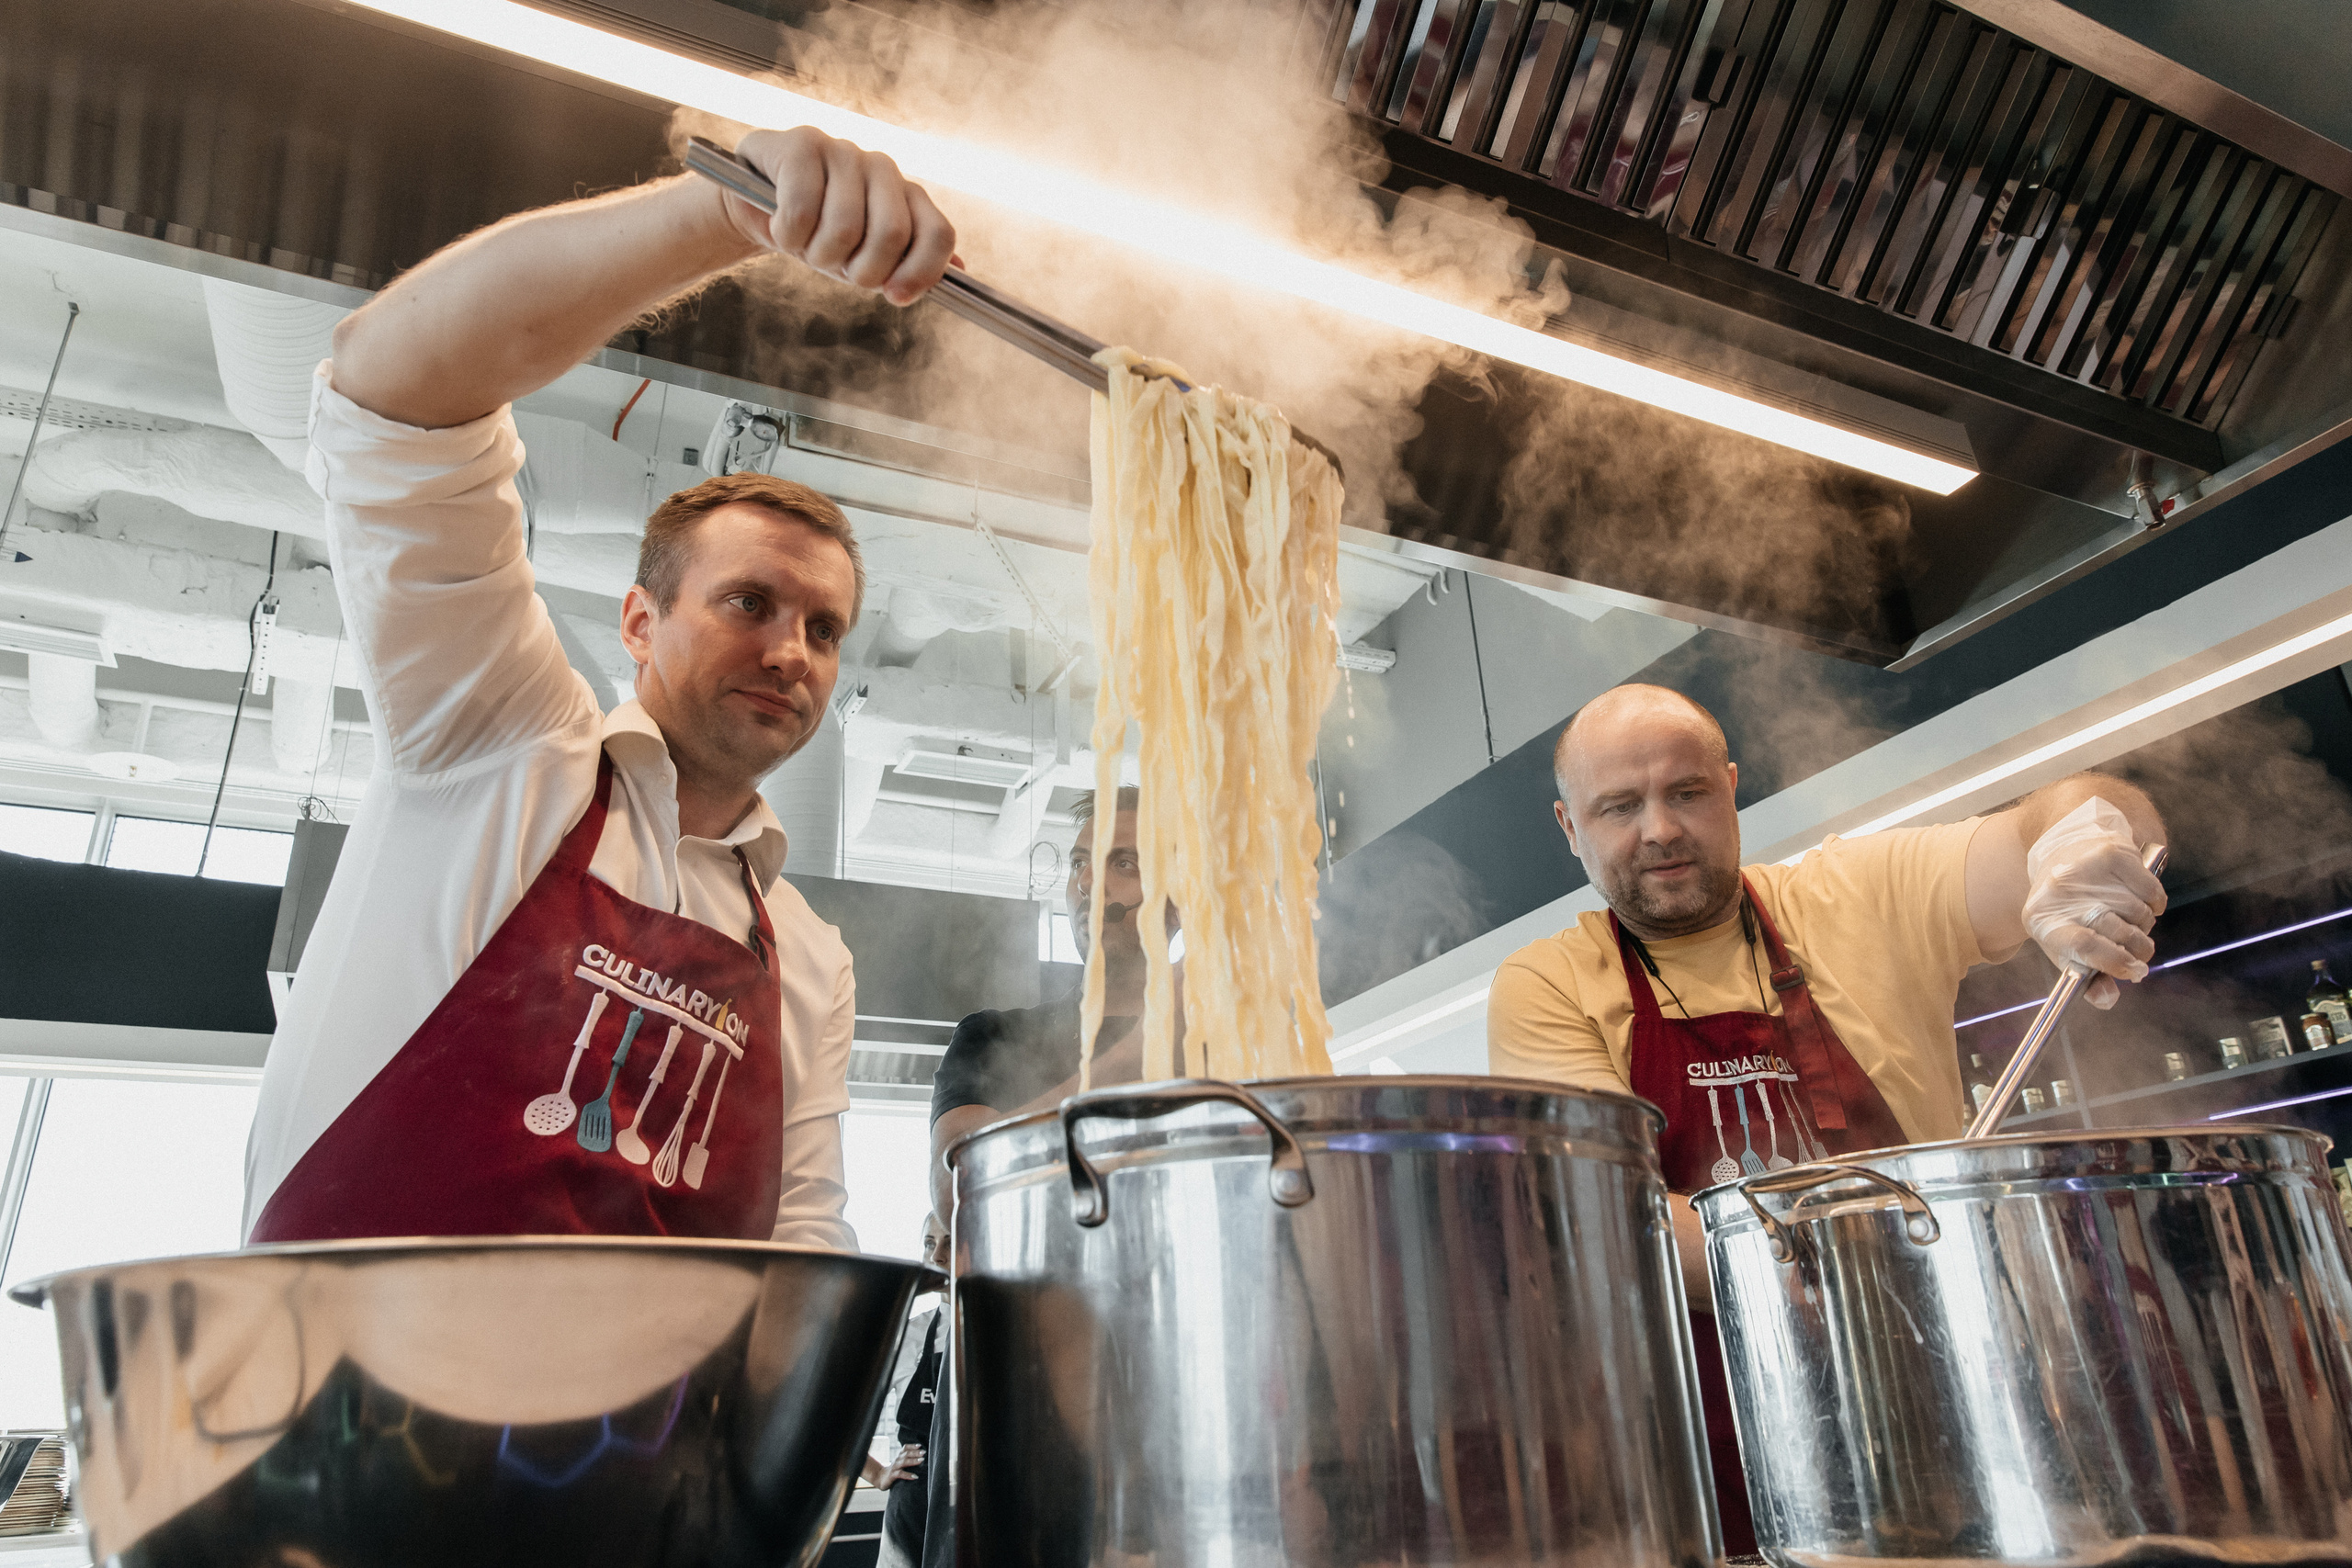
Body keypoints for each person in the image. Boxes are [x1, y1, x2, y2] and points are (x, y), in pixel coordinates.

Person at [240, 126, 956, 1244]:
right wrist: (723, 215)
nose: (792, 653)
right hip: (352, 1357)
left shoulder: (809, 955)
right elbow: (391, 389)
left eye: (824, 629)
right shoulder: (499, 745)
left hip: (661, 1375)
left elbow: (801, 1244)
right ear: (638, 622)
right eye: (749, 603)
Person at [1487, 682, 2167, 1551]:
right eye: (1619, 806)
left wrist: (2084, 841)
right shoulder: (1549, 983)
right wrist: (1845, 1269)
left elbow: (2073, 808)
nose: (1658, 829)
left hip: (1957, 1411)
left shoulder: (1856, 893)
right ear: (1568, 826)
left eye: (1687, 791)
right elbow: (1614, 1218)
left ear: (1732, 787)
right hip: (1718, 1453)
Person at [924, 786, 1159, 1225]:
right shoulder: (991, 1038)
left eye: (1124, 863)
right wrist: (1131, 1056)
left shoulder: (1222, 1044)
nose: (1086, 883)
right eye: (1079, 863)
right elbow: (954, 1190)